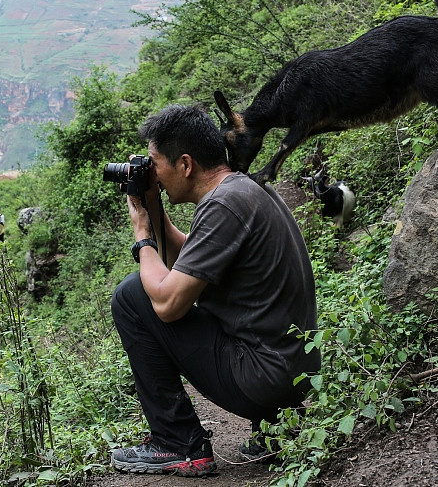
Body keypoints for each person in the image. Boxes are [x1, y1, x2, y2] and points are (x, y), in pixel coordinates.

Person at [109, 104, 320, 476]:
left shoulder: (224, 204)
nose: (154, 175)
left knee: (132, 295)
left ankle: (178, 443)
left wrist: (142, 234)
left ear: (186, 164)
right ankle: (276, 429)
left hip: (265, 377)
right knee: (157, 288)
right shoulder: (245, 188)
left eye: (156, 165)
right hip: (291, 371)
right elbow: (192, 257)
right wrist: (155, 208)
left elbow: (168, 303)